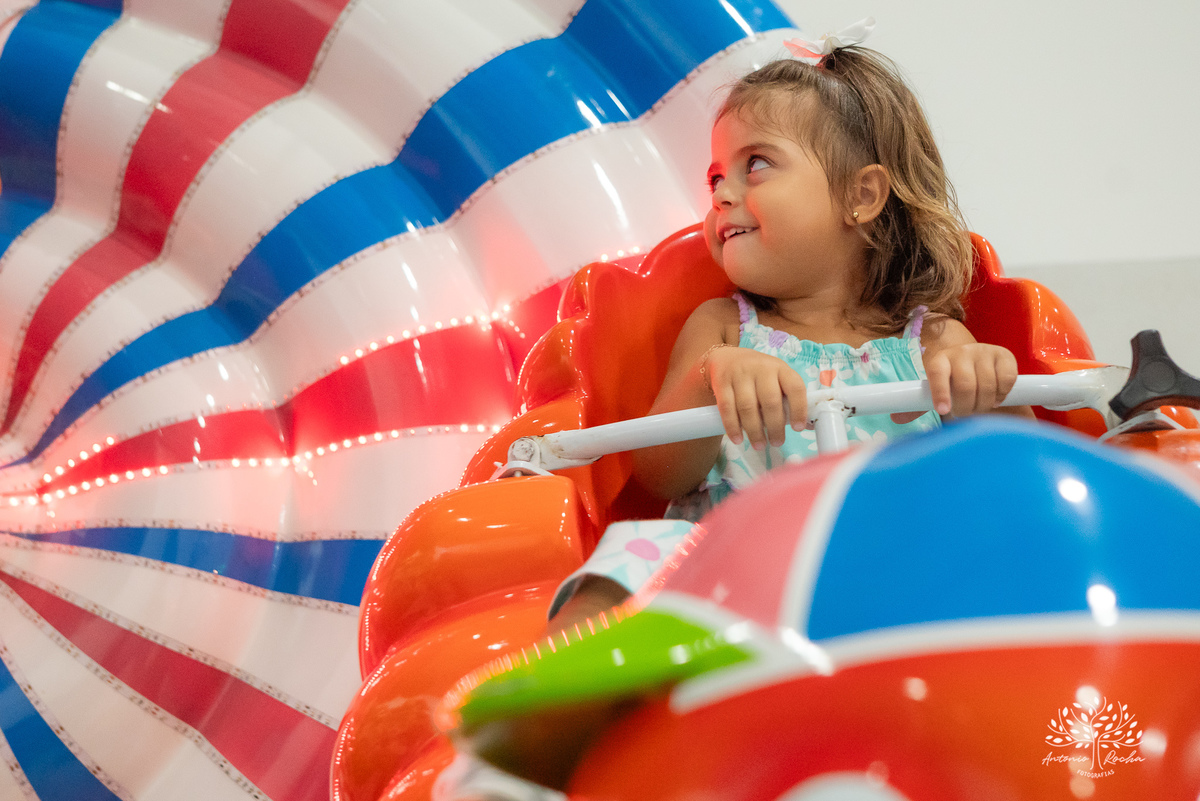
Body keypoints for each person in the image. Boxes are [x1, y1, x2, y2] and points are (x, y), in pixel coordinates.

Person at [550, 26, 1033, 628]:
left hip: (899, 578)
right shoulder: (724, 327)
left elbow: (1023, 478)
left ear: (862, 195)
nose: (723, 192)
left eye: (755, 165)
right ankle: (558, 702)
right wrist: (710, 377)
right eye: (715, 177)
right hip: (738, 586)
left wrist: (988, 383)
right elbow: (657, 474)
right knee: (630, 559)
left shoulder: (934, 342)